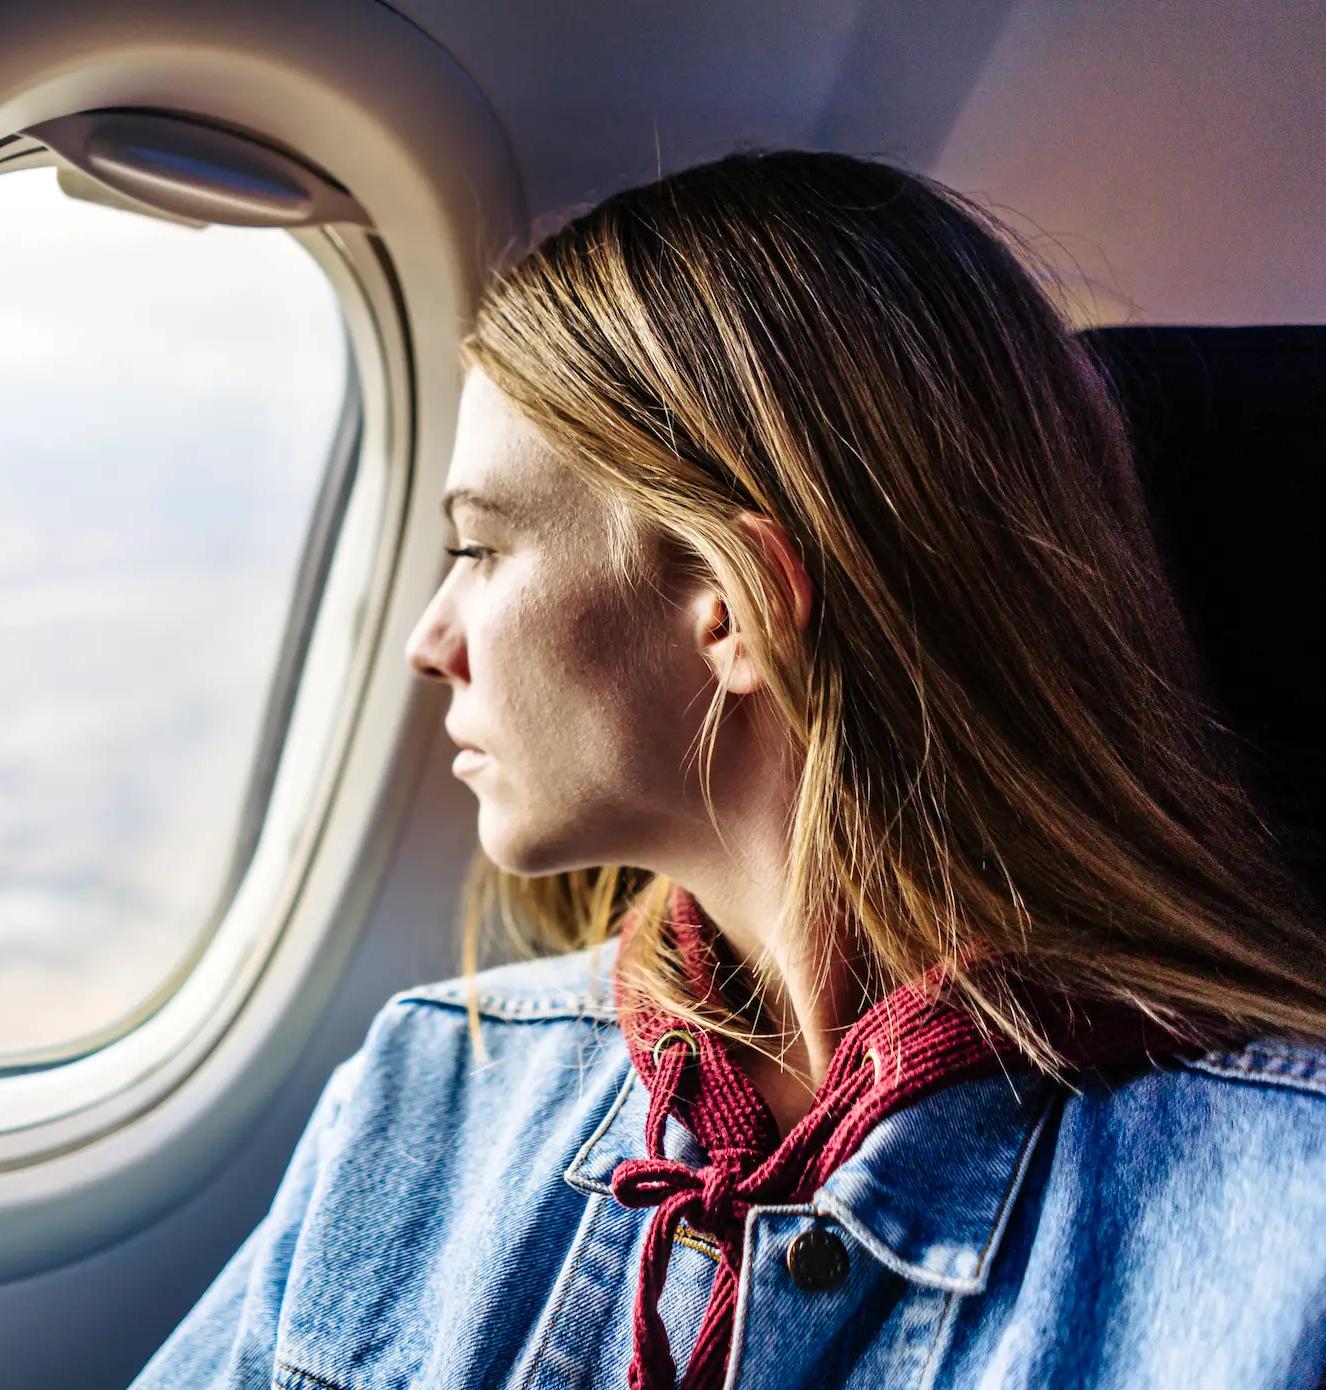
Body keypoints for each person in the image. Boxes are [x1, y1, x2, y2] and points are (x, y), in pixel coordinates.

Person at [131, 151, 1326, 1389]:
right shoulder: (425, 1092)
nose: (429, 643)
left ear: (733, 602)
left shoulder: (1290, 1222)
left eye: (479, 548)